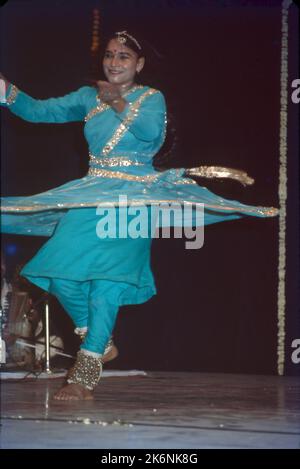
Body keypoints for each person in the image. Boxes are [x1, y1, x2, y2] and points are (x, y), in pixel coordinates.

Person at [0, 30, 278, 400]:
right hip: (92, 193)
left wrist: (117, 103)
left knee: (107, 287)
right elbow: (37, 111)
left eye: (124, 57)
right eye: (110, 56)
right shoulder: (88, 97)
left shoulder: (151, 98)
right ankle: (95, 335)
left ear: (139, 64)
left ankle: (85, 373)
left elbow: (150, 135)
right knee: (56, 270)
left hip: (135, 198)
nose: (114, 62)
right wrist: (5, 91)